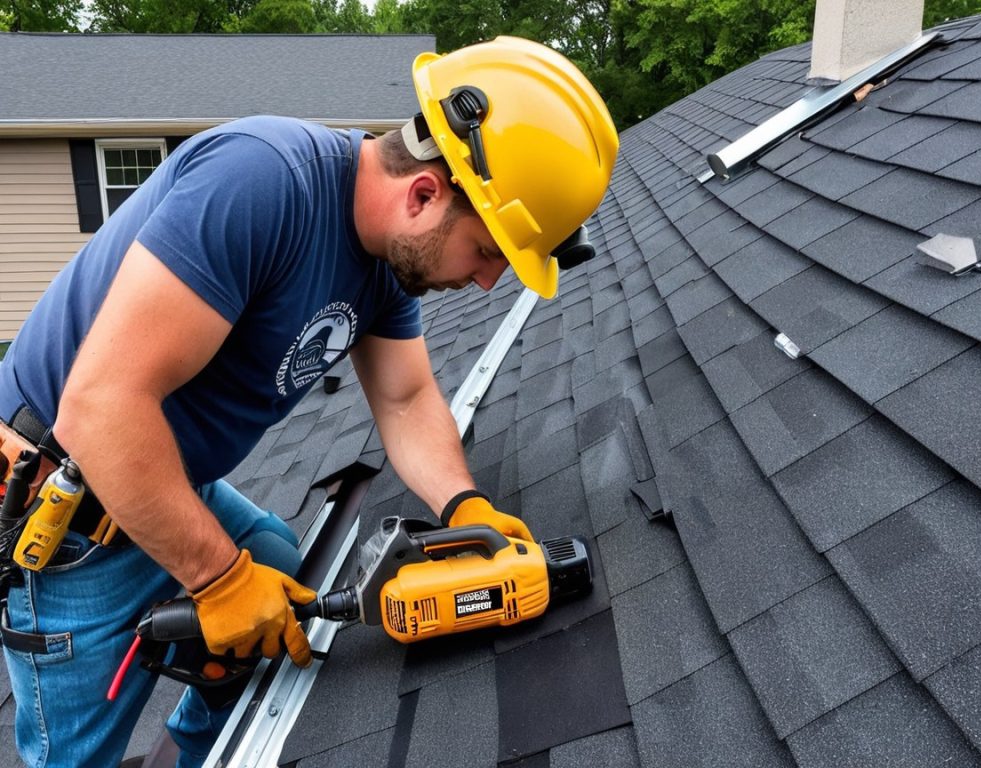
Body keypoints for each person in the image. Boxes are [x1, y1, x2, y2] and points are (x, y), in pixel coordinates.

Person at [0, 36, 617, 767]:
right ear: (424, 194)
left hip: (156, 472)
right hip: (72, 517)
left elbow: (407, 398)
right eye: (487, 252)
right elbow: (100, 407)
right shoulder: (261, 184)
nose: (487, 282)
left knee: (271, 558)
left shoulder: (387, 261)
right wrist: (221, 581)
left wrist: (465, 507)